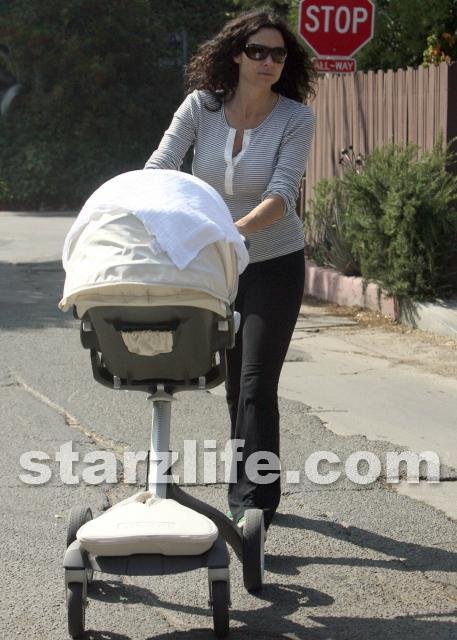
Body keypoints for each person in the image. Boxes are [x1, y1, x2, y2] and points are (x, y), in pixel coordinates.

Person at [145, 8, 316, 531]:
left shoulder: (296, 118)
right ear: (237, 55)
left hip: (272, 263)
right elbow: (161, 166)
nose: (268, 61)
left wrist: (230, 232)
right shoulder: (201, 107)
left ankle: (252, 505)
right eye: (257, 51)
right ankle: (253, 484)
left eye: (278, 54)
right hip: (215, 267)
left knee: (257, 381)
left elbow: (281, 195)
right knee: (234, 385)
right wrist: (148, 213)